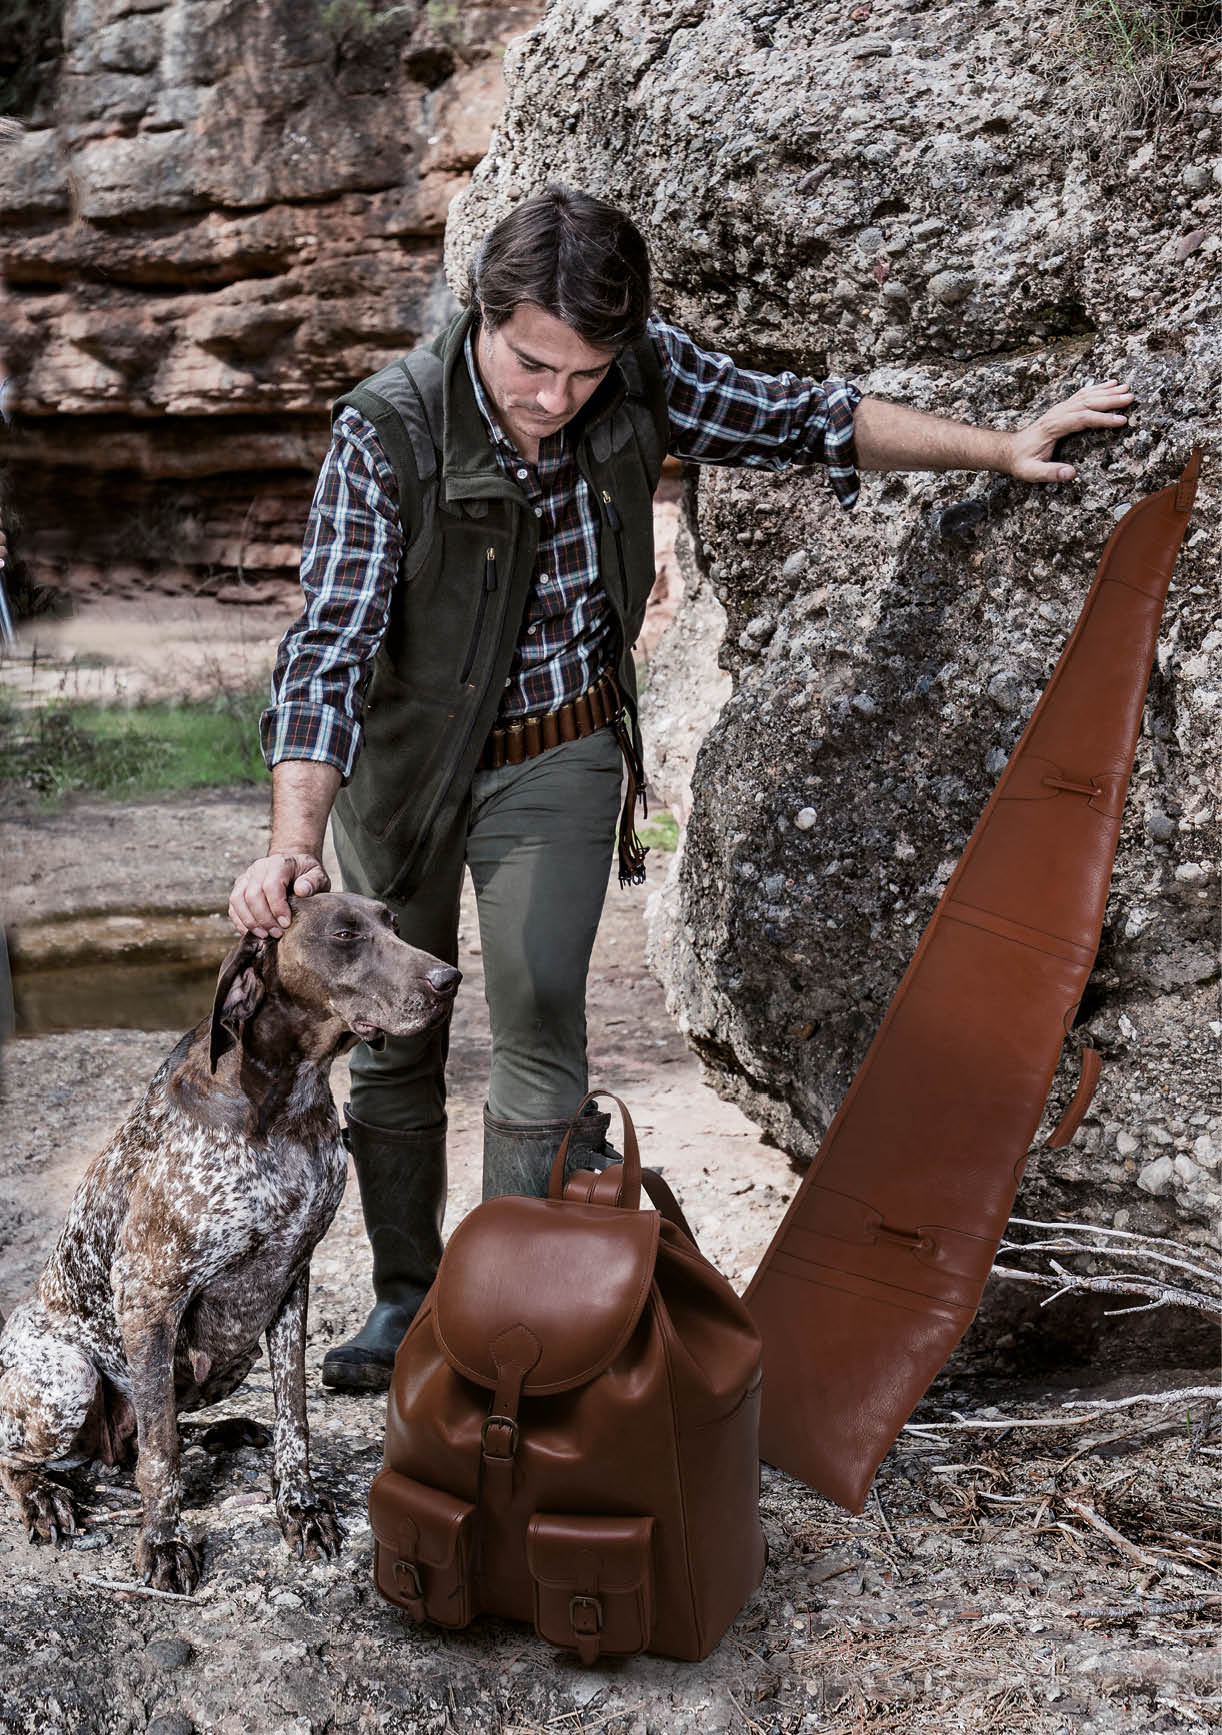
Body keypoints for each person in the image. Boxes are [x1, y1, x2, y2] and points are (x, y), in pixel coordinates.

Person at [228, 185, 1132, 1392]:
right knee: (393, 1032)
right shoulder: (384, 431)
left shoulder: (644, 377)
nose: (555, 398)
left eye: (584, 373)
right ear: (478, 315)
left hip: (557, 751)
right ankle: (405, 1298)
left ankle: (504, 1315)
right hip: (400, 770)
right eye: (530, 363)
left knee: (542, 1006)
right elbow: (328, 647)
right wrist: (294, 842)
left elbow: (810, 418)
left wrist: (997, 445)